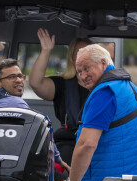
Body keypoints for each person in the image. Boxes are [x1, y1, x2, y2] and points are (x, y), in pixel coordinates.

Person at [53, 45, 137, 181]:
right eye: (79, 71)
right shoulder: (127, 85)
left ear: (103, 63)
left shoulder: (104, 93)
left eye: (87, 68)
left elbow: (87, 144)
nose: (83, 76)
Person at [0, 58, 69, 177]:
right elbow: (43, 128)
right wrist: (59, 160)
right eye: (12, 77)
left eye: (20, 76)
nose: (19, 80)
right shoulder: (15, 103)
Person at [28, 29, 92, 164]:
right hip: (69, 142)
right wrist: (46, 51)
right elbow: (36, 83)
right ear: (72, 58)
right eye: (79, 53)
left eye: (88, 53)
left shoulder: (105, 87)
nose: (84, 57)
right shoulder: (63, 85)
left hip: (97, 140)